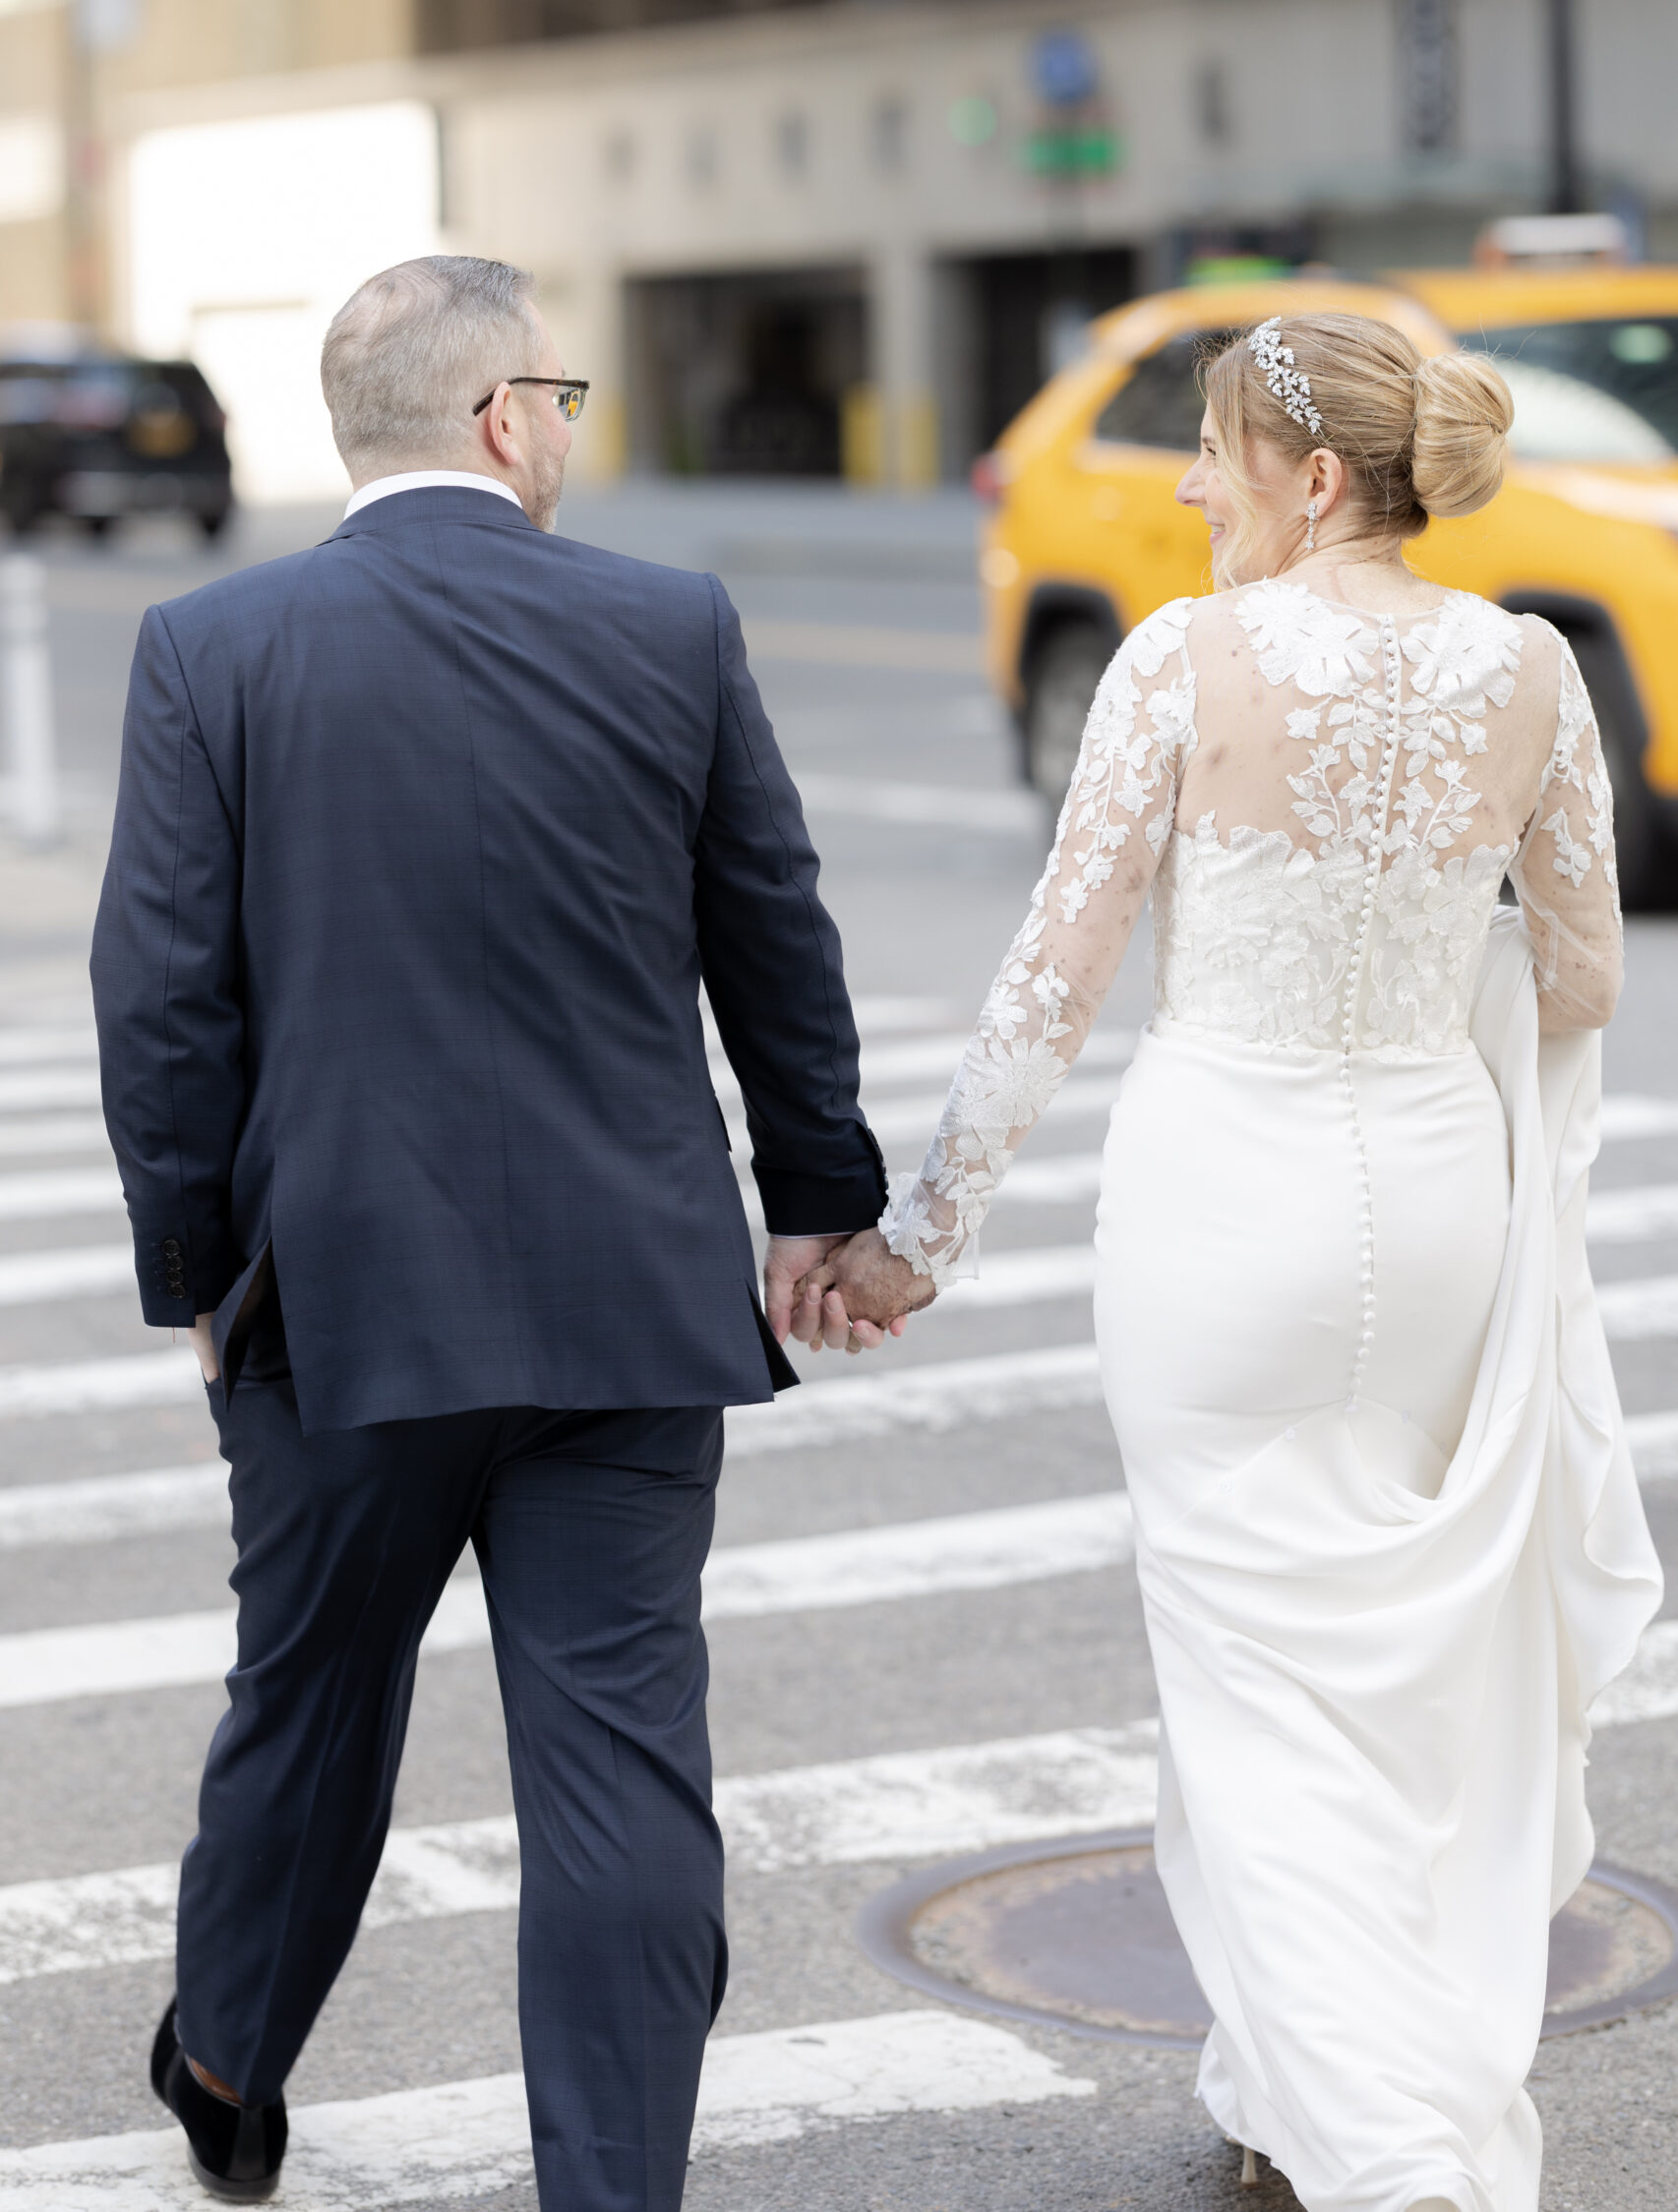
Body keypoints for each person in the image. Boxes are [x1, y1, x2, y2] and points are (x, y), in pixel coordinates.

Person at [809, 313, 1662, 2212]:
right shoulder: (1528, 668)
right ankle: (1284, 2078)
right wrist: (1422, 953)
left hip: (1226, 1202)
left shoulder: (1182, 659)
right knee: (1391, 1672)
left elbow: (1060, 966)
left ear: (1314, 478)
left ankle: (1390, 2160)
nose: (1188, 487)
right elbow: (1587, 976)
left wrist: (918, 1235)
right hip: (1433, 1194)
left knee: (1245, 1686)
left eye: (1208, 453)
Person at [90, 255, 887, 2207]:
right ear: (502, 416)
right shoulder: (666, 624)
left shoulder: (216, 646)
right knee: (620, 1759)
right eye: (568, 398)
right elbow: (769, 931)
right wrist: (823, 1198)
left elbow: (163, 1002)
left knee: (312, 1693)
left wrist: (196, 1274)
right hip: (629, 1291)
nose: (569, 433)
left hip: (336, 1297)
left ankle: (225, 2059)